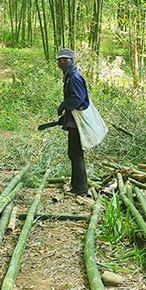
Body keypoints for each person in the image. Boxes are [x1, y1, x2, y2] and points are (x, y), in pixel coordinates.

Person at [56, 49, 91, 197]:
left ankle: (81, 189)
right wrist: (66, 116)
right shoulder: (69, 75)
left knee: (76, 154)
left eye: (65, 60)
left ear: (72, 61)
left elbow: (78, 99)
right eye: (60, 61)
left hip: (78, 122)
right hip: (73, 120)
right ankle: (77, 186)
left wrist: (65, 104)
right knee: (74, 153)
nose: (62, 63)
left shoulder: (74, 77)